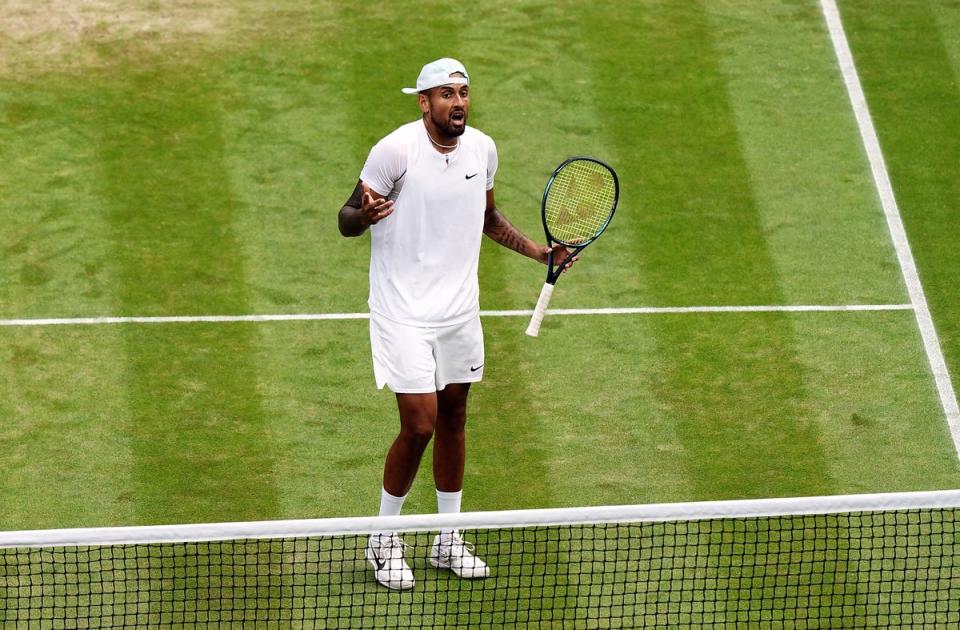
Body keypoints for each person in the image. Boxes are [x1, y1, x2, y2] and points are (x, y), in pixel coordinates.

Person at [337, 58, 574, 590]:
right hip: (402, 312)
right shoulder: (394, 150)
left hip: (459, 310)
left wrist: (540, 253)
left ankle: (448, 537)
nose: (458, 102)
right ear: (424, 102)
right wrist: (366, 217)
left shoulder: (482, 149)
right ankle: (383, 539)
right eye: (446, 94)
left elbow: (487, 217)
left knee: (455, 416)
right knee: (419, 423)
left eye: (463, 92)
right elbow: (346, 218)